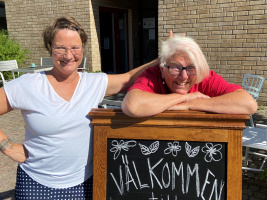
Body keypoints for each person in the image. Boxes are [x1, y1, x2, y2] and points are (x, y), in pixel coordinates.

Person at [0, 17, 159, 199]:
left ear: (83, 48)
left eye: (75, 47)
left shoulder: (93, 83)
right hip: (36, 184)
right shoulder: (28, 85)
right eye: (60, 48)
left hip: (85, 184)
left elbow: (129, 78)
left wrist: (166, 58)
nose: (68, 56)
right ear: (50, 48)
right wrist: (8, 147)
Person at [122, 34, 258, 117]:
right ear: (162, 69)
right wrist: (186, 97)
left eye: (191, 68)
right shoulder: (151, 75)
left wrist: (190, 104)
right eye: (175, 67)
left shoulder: (204, 76)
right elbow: (132, 105)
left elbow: (248, 104)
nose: (184, 76)